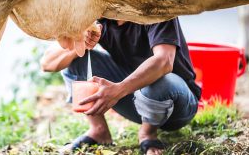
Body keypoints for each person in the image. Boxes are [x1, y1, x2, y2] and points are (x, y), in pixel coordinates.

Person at [40, 18, 201, 155]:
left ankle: (147, 133)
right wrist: (83, 41)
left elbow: (164, 62)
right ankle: (99, 131)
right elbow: (47, 63)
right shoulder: (101, 17)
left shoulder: (156, 5)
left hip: (178, 105)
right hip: (136, 101)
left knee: (161, 81)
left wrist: (119, 89)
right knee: (75, 62)